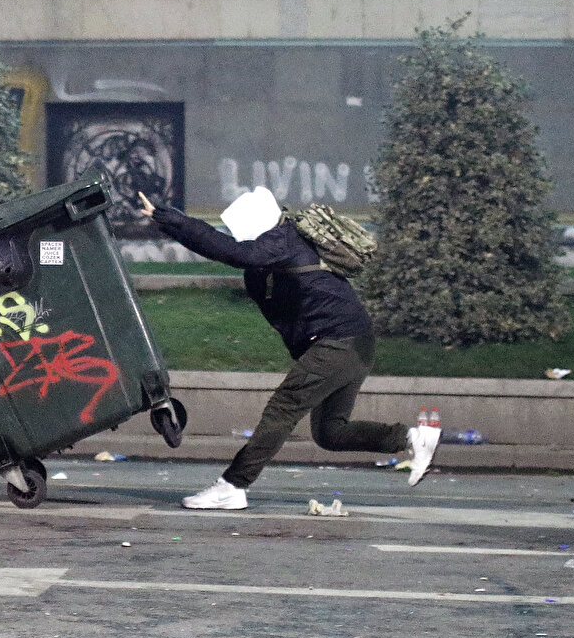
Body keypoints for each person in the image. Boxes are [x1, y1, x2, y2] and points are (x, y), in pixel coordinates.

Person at [137, 189, 439, 509]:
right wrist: (168, 223)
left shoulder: (280, 242)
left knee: (283, 409)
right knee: (330, 433)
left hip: (337, 343)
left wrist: (166, 217)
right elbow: (227, 249)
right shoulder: (280, 246)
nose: (239, 239)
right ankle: (410, 438)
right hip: (355, 342)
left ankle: (233, 485)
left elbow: (227, 250)